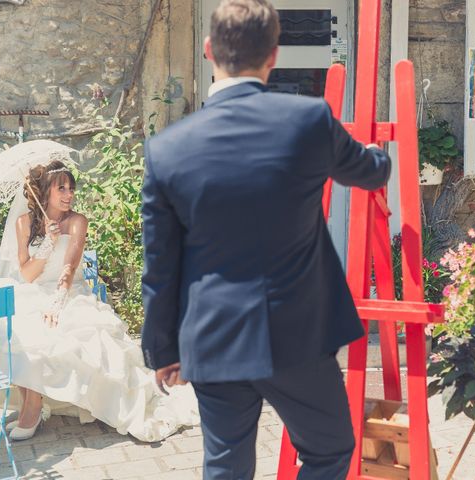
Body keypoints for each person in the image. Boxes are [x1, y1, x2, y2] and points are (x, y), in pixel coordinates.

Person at [140, 0, 391, 478]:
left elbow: (160, 266)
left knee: (226, 467)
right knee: (330, 450)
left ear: (210, 51)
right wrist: (380, 157)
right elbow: (367, 170)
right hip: (295, 333)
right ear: (273, 55)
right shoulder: (307, 122)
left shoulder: (166, 151)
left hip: (212, 337)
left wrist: (163, 349)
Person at [0, 159, 198, 442]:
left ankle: (33, 408)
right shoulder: (24, 223)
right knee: (14, 334)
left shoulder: (77, 221)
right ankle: (33, 403)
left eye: (71, 189)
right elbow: (28, 275)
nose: (69, 195)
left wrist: (58, 300)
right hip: (34, 291)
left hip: (68, 292)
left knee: (61, 336)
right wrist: (48, 244)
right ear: (45, 192)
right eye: (62, 189)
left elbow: (70, 266)